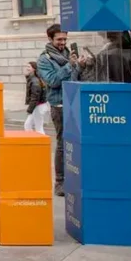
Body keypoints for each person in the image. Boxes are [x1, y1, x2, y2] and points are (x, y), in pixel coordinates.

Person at [37, 23, 84, 198]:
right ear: (50, 39)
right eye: (59, 39)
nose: (63, 42)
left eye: (65, 39)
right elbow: (52, 81)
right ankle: (60, 181)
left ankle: (74, 178)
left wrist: (81, 65)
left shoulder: (68, 55)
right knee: (63, 144)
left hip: (74, 102)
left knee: (75, 143)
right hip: (59, 105)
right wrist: (69, 66)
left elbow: (76, 77)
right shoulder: (44, 59)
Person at [23, 62, 48, 135]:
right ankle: (33, 142)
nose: (27, 68)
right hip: (38, 106)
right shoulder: (33, 79)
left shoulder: (34, 81)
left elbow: (35, 97)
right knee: (29, 125)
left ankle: (40, 143)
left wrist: (29, 110)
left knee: (38, 128)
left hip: (38, 106)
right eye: (27, 66)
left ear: (33, 69)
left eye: (29, 67)